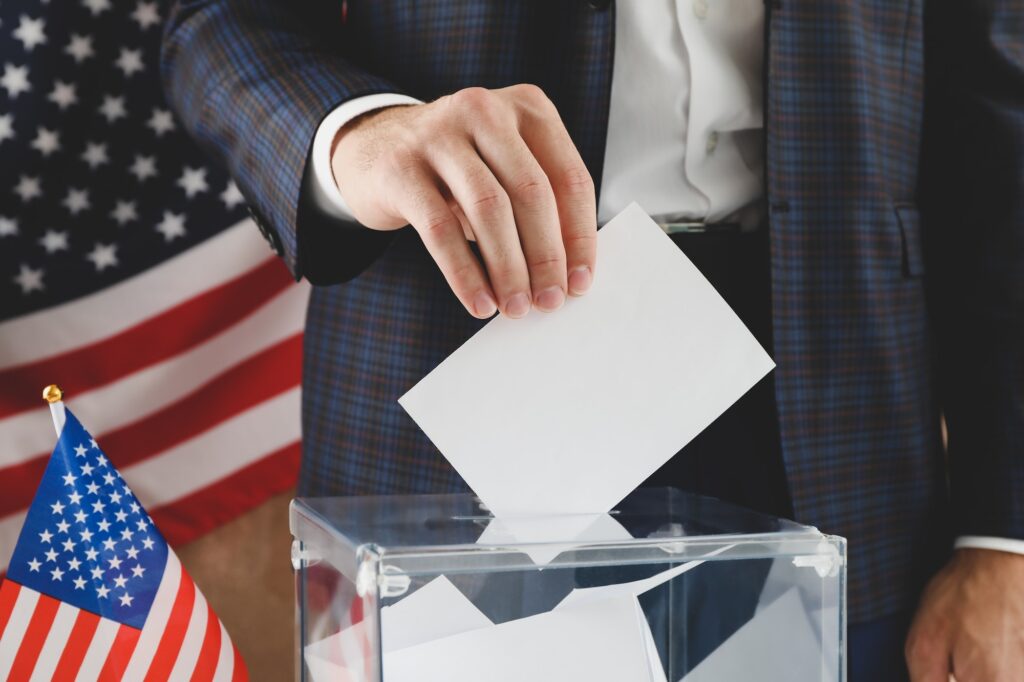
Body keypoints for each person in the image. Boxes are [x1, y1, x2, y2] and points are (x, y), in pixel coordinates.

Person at [161, 2, 1024, 680]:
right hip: (459, 376)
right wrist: (356, 133)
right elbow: (218, 21)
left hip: (843, 411)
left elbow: (998, 126)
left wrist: (1004, 532)